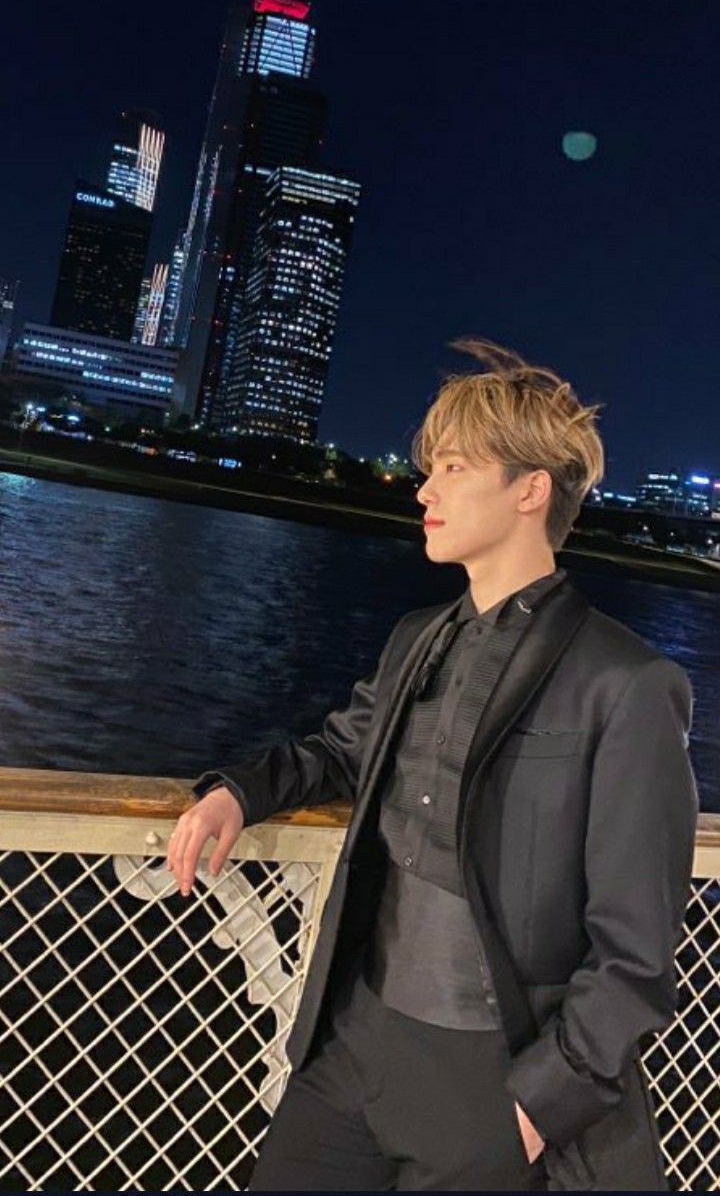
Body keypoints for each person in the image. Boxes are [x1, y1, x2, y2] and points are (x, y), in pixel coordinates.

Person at [166, 338, 699, 1192]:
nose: (425, 489)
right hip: (355, 1042)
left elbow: (635, 953)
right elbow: (343, 749)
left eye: (453, 467)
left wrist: (532, 1113)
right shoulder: (417, 637)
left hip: (491, 1077)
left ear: (530, 490)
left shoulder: (628, 683)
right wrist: (240, 791)